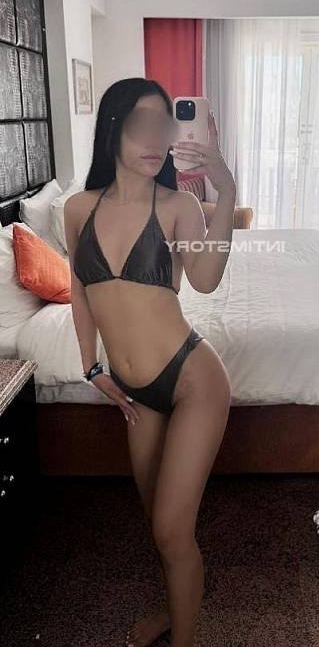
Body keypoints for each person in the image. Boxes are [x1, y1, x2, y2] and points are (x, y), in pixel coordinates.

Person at [64, 78, 234, 647]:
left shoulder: (178, 205)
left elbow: (205, 280)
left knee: (171, 531)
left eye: (164, 125)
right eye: (141, 124)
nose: (155, 139)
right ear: (112, 128)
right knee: (157, 522)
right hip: (137, 393)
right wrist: (92, 368)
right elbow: (79, 290)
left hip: (192, 380)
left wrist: (225, 187)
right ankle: (172, 611)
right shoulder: (78, 208)